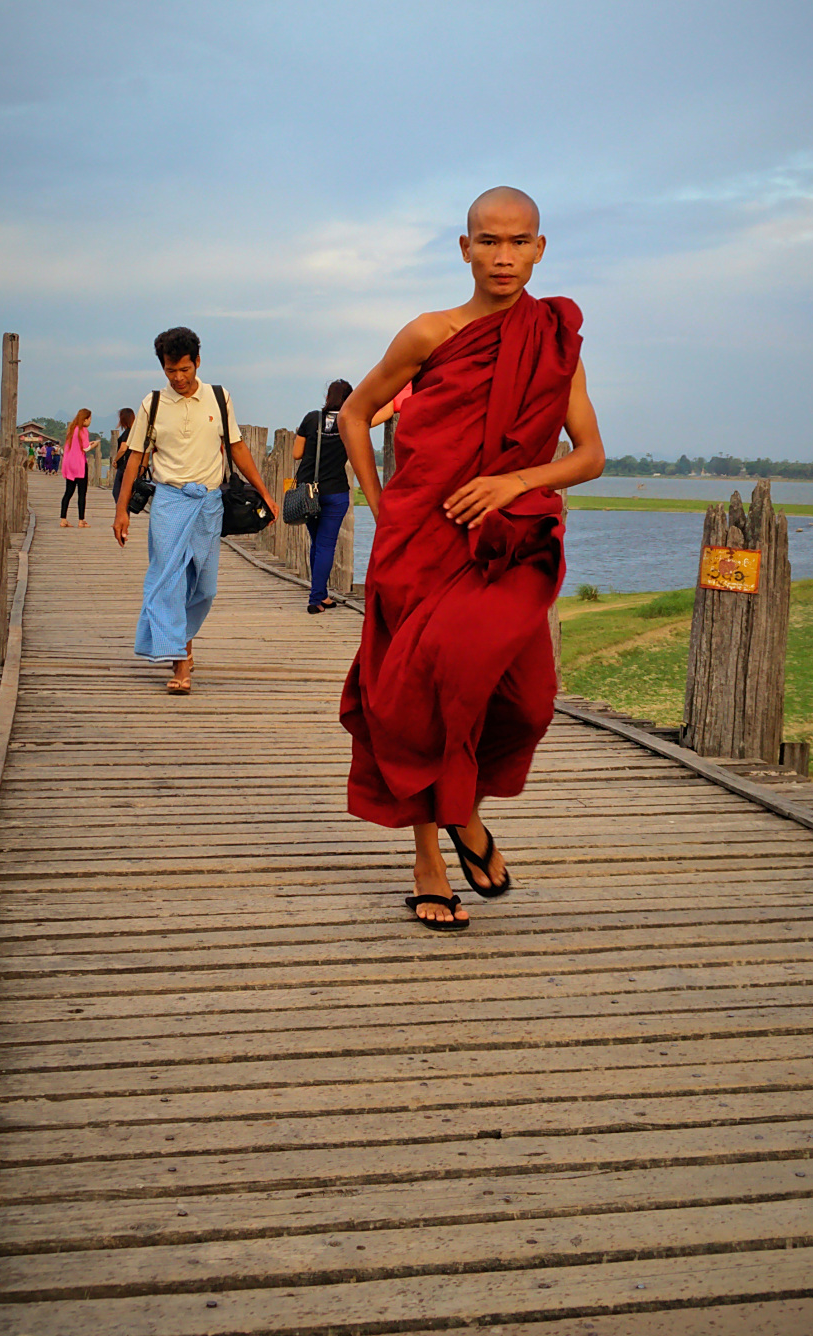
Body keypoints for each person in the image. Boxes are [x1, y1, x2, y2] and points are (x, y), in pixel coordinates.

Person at [338, 187, 605, 929]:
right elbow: (354, 413)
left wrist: (515, 479)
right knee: (421, 695)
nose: (504, 256)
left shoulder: (554, 342)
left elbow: (590, 455)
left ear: (541, 249)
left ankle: (467, 815)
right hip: (422, 540)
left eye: (519, 241)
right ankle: (431, 860)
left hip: (507, 544)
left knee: (526, 702)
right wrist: (382, 500)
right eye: (489, 241)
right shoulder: (430, 333)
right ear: (465, 249)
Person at [113, 326, 279, 695]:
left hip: (209, 502)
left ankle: (181, 639)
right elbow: (136, 458)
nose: (178, 378)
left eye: (184, 370)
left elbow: (236, 448)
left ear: (197, 363)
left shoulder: (218, 399)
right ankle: (180, 661)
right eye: (170, 371)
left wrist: (265, 492)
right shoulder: (152, 404)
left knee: (204, 587)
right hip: (170, 500)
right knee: (167, 579)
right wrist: (121, 510)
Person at [292, 381, 356, 614]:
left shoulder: (311, 418)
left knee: (318, 542)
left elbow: (296, 453)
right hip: (336, 491)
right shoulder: (349, 421)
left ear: (327, 396)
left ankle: (320, 594)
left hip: (309, 491)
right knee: (326, 544)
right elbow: (379, 414)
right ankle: (317, 597)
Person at [59, 410, 99, 527]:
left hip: (69, 465)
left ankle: (63, 519)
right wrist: (94, 444)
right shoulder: (83, 430)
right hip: (80, 466)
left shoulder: (72, 430)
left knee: (68, 492)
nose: (90, 421)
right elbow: (86, 448)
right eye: (90, 419)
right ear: (85, 419)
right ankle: (81, 520)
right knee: (82, 493)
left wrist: (88, 444)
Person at [110, 407, 136, 504]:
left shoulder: (128, 432)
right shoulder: (134, 432)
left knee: (118, 493)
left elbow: (123, 448)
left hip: (124, 467)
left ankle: (123, 514)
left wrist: (115, 460)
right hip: (129, 466)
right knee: (124, 493)